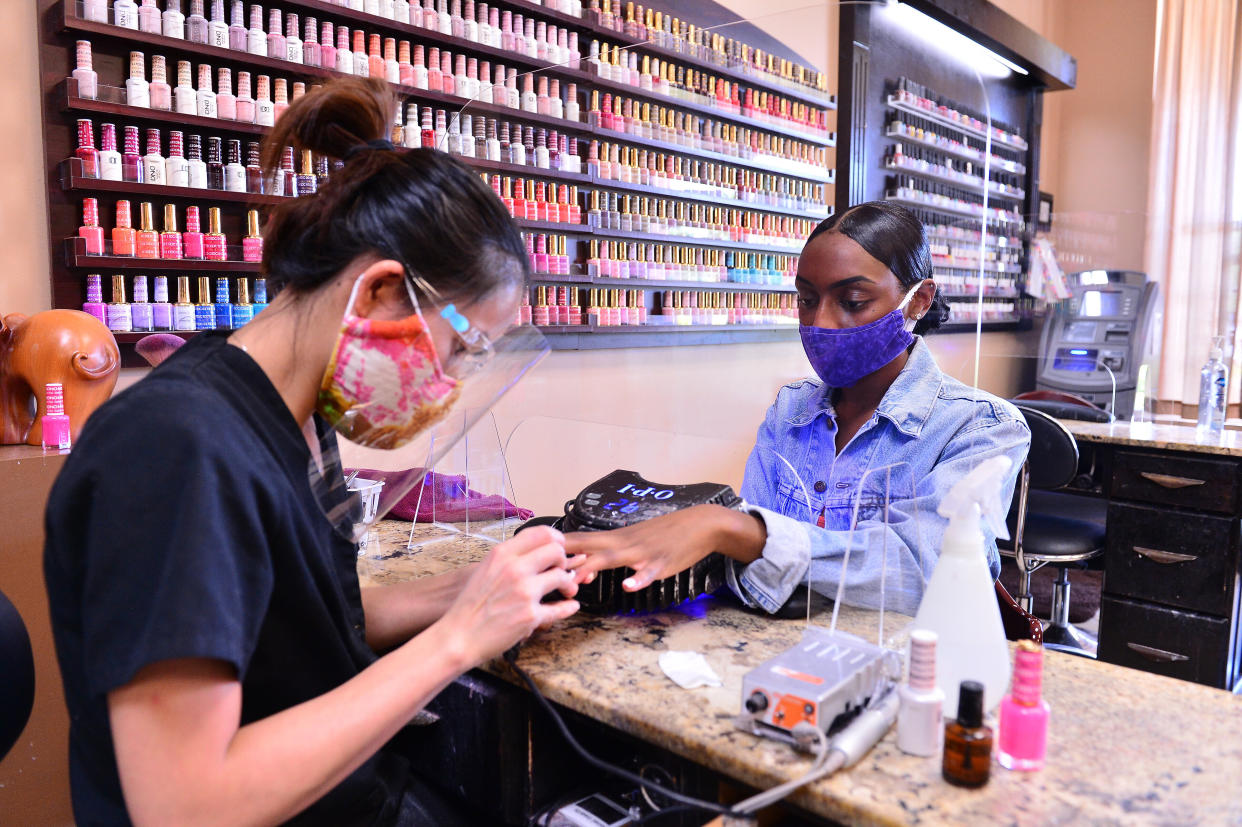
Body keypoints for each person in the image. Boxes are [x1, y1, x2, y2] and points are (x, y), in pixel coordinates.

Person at [43, 77, 579, 826]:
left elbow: (300, 624)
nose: (451, 384)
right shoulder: (177, 448)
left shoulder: (293, 418)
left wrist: (471, 590)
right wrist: (458, 641)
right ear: (379, 293)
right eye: (459, 349)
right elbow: (184, 805)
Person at [567, 202, 1031, 616]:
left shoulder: (982, 429)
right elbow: (748, 570)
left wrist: (737, 531)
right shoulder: (791, 409)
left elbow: (924, 572)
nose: (820, 322)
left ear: (919, 301)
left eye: (852, 301)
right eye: (807, 300)